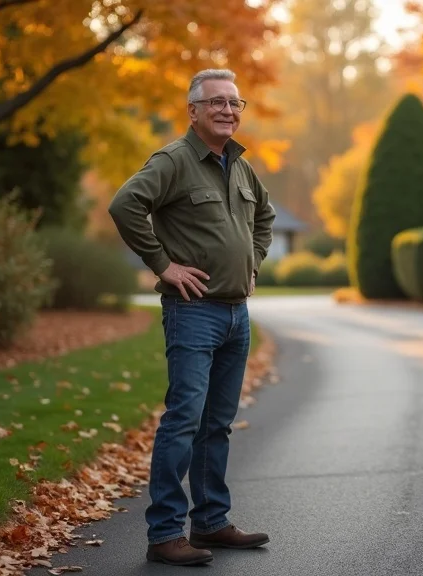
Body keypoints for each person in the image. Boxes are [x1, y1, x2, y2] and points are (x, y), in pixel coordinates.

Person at [108, 68, 275, 566]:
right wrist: (163, 264)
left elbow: (263, 217)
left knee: (218, 423)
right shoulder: (175, 161)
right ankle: (164, 534)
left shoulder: (240, 166)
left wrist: (254, 262)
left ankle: (211, 522)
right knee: (183, 421)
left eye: (235, 102)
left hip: (235, 314)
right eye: (217, 102)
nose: (228, 110)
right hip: (193, 313)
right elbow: (124, 205)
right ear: (193, 111)